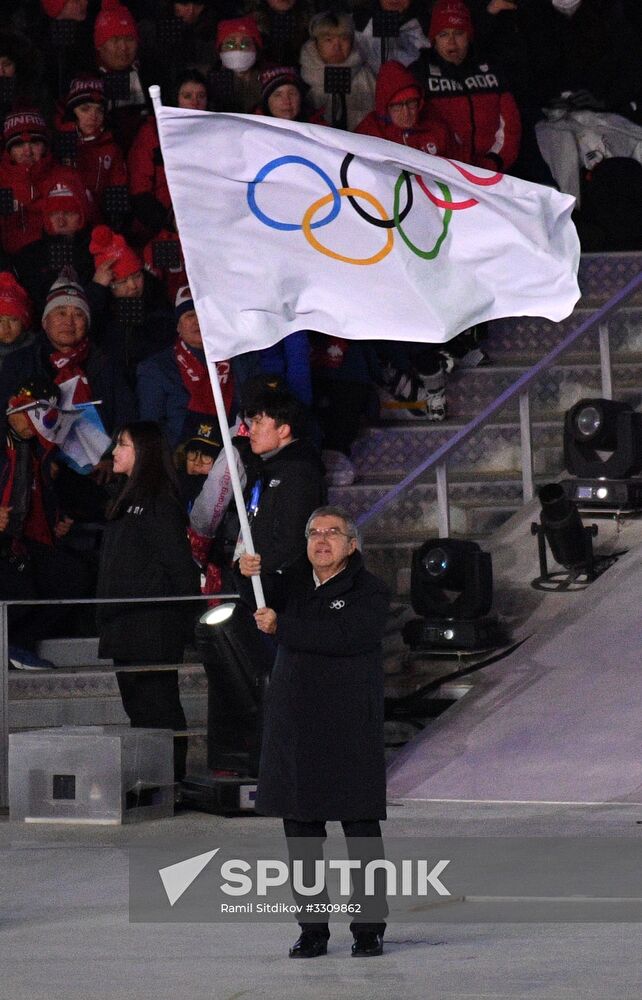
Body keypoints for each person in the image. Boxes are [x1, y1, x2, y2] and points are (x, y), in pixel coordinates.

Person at [238, 505, 390, 958]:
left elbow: (346, 637)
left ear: (351, 544)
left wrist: (283, 627)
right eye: (314, 533)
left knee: (360, 831)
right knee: (302, 835)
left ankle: (368, 928)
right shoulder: (292, 582)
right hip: (296, 728)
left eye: (332, 533)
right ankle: (312, 929)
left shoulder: (370, 591)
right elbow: (255, 596)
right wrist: (243, 573)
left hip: (349, 728)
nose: (321, 540)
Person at [96, 420, 200, 781]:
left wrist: (182, 622)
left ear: (143, 453)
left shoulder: (159, 504)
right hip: (124, 625)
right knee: (138, 710)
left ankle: (170, 781)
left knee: (158, 708)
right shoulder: (126, 502)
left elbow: (181, 569)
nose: (114, 452)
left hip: (152, 629)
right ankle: (152, 779)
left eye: (122, 445)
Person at [410, 0, 521, 174]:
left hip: (493, 171)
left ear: (469, 35)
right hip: (441, 173)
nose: (452, 42)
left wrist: (492, 164)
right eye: (444, 34)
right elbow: (411, 127)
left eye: (459, 33)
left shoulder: (492, 69)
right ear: (434, 39)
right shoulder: (418, 74)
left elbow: (510, 126)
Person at [300, 10, 376, 131]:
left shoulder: (367, 75)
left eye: (344, 39)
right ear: (316, 43)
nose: (337, 47)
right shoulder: (301, 78)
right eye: (328, 40)